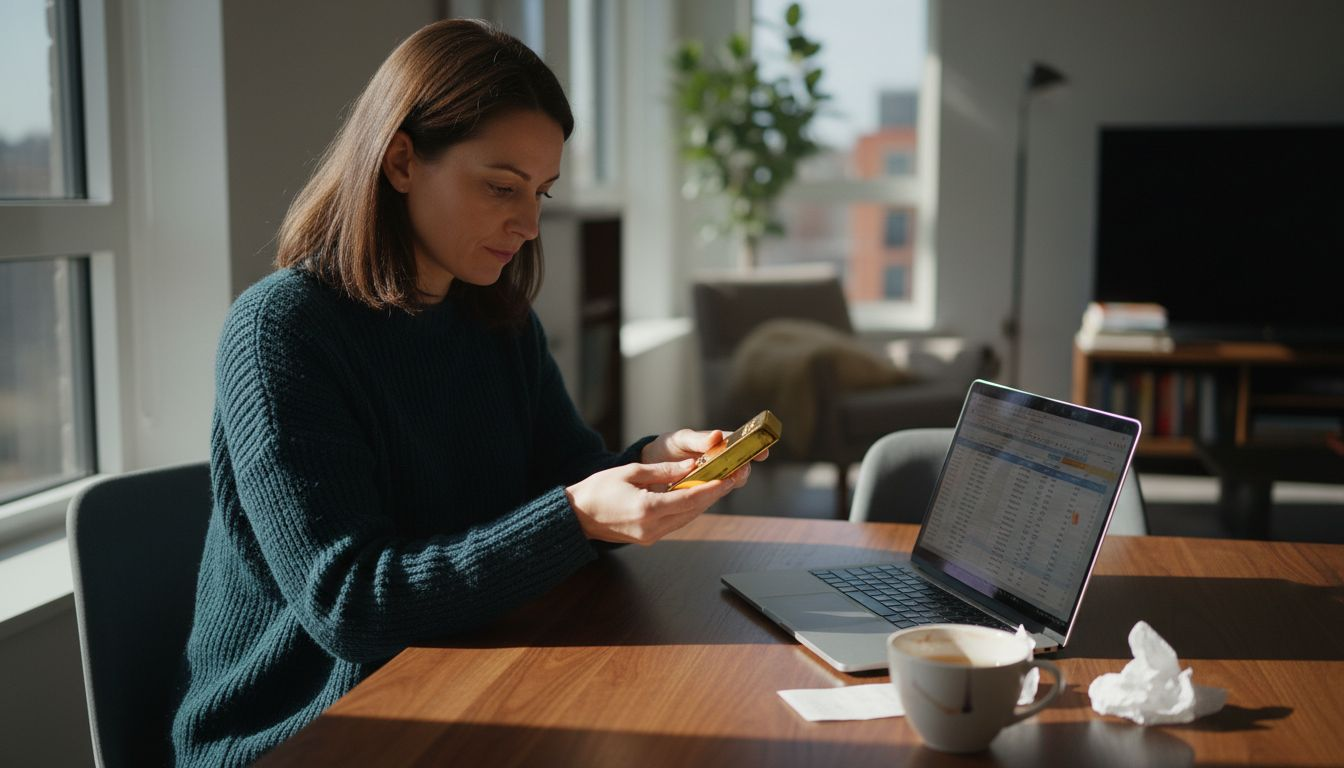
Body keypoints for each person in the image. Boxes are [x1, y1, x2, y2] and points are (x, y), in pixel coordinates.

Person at [172, 19, 758, 766]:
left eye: (540, 191)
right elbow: (349, 606)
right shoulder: (281, 332)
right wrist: (578, 517)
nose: (529, 223)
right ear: (401, 159)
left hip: (458, 679)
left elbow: (566, 478)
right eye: (501, 186)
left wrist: (651, 460)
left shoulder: (495, 319)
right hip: (304, 730)